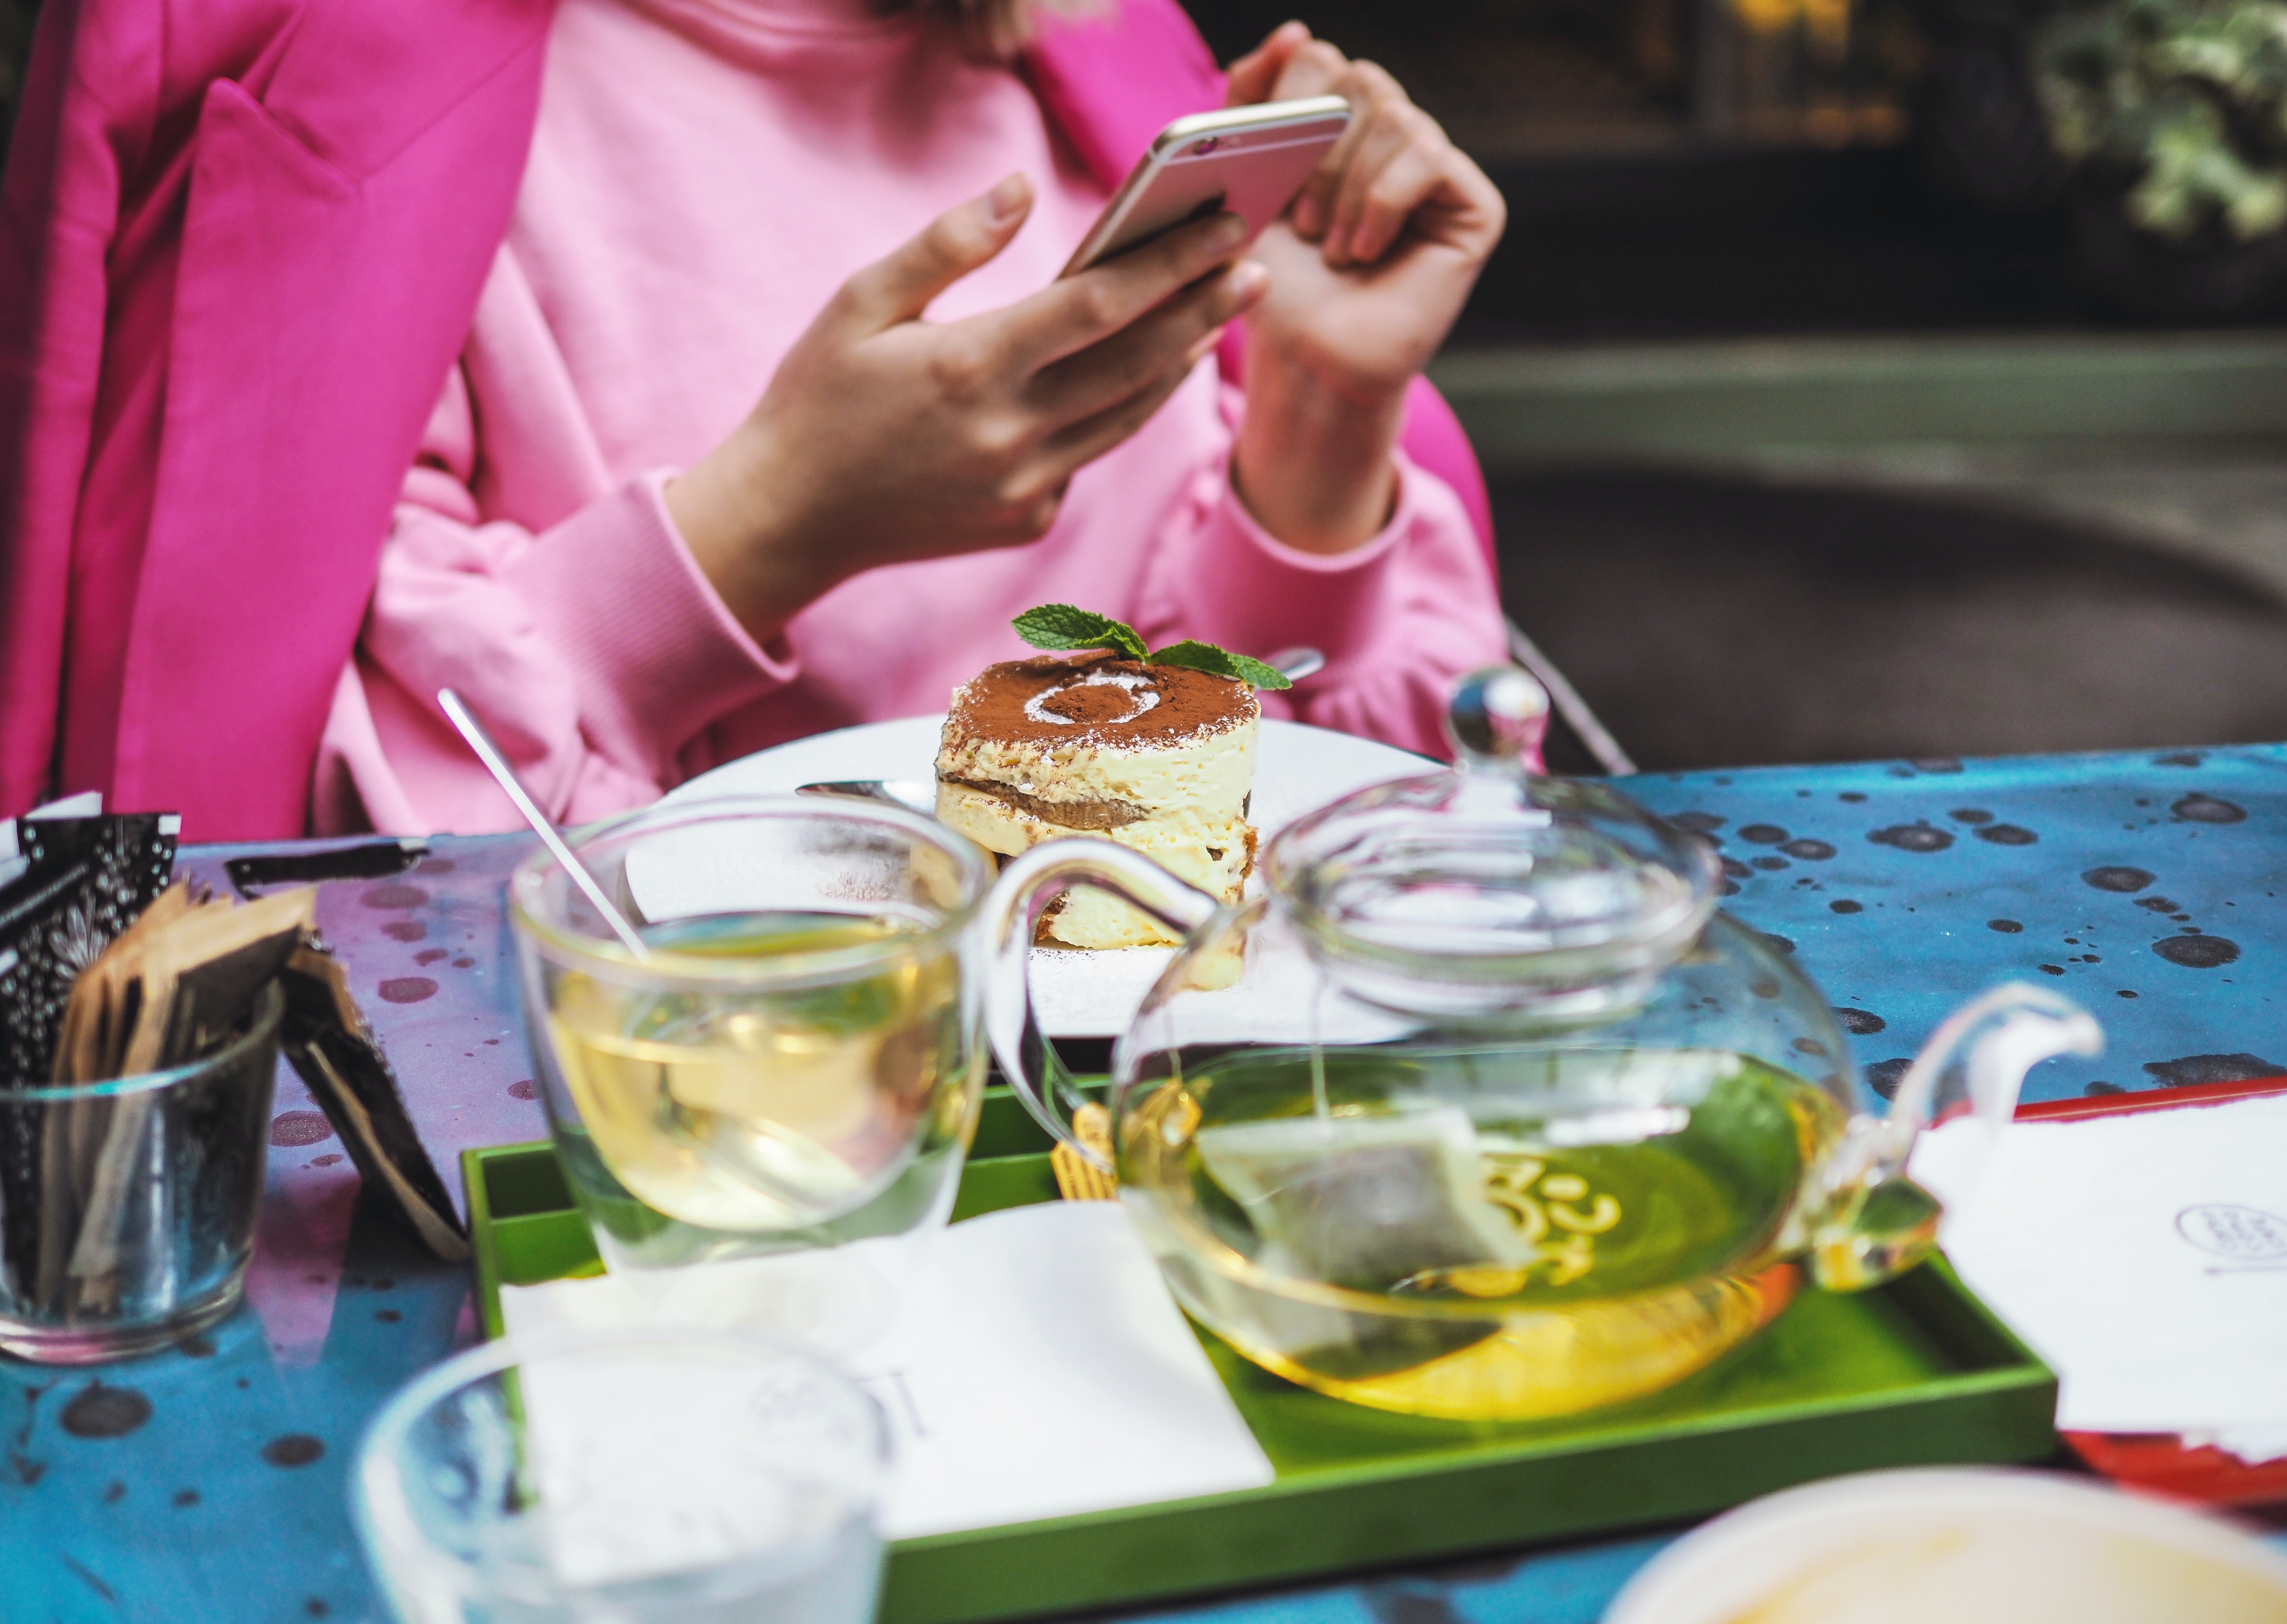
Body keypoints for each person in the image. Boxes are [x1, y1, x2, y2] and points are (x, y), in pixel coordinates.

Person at [0, 0, 1508, 840]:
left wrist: (1314, 411)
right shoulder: (374, 112)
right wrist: (764, 527)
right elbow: (322, 888)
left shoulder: (1085, 50)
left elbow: (1257, 802)